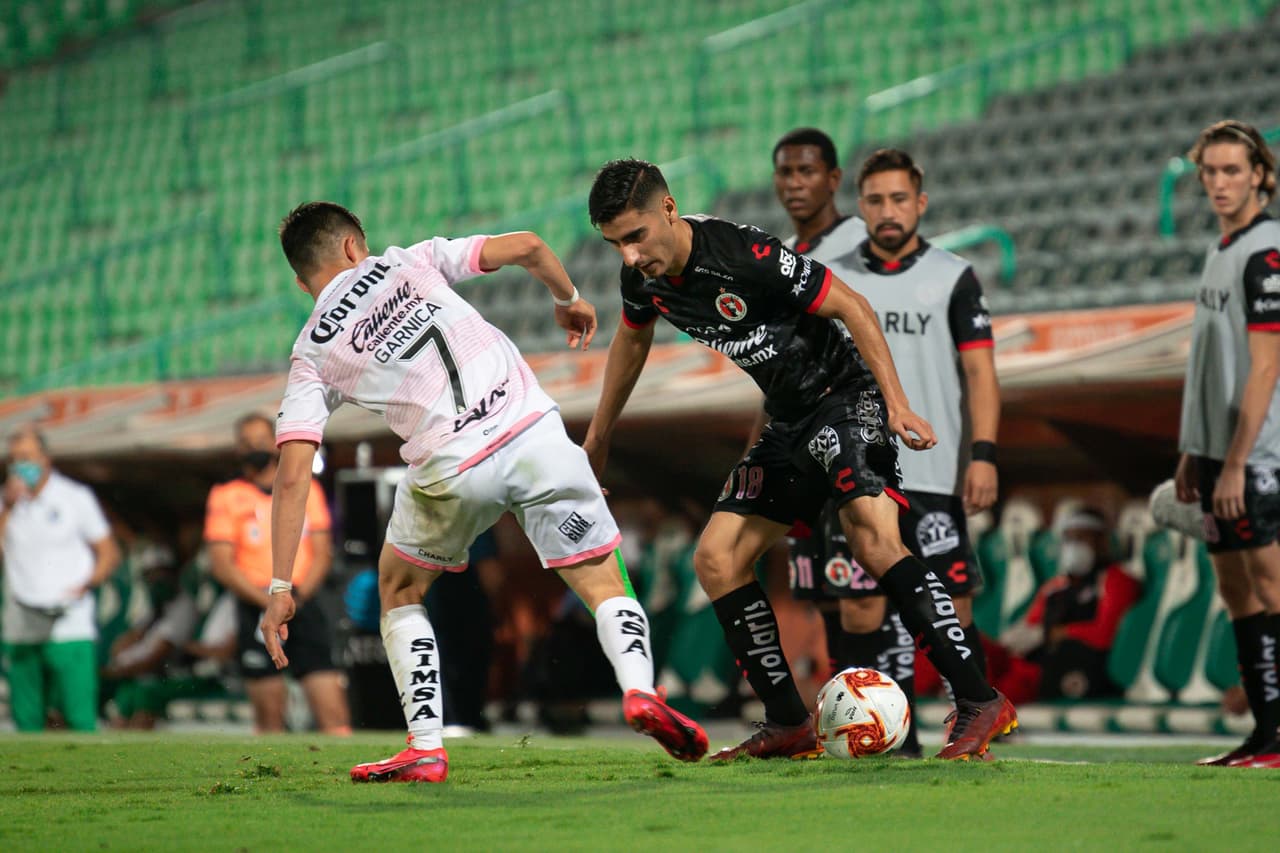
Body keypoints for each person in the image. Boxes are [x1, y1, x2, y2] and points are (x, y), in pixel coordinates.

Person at [583, 158, 1016, 761]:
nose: (629, 256)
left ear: (668, 209)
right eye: (614, 245)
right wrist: (599, 439)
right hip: (788, 420)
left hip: (846, 398)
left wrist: (896, 406)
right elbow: (632, 337)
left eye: (635, 237)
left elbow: (854, 307)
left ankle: (979, 701)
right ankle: (788, 722)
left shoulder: (741, 253)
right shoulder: (645, 278)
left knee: (874, 541)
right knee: (716, 558)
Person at [260, 202, 708, 782]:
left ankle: (425, 745)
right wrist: (567, 298)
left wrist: (280, 585)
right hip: (534, 436)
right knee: (600, 576)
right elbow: (527, 245)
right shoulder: (410, 260)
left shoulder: (311, 354)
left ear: (302, 281)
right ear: (354, 246)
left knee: (398, 586)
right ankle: (642, 691)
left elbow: (294, 473)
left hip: (451, 467)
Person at [1174, 119, 1280, 769]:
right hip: (1214, 455)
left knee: (1271, 587)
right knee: (1237, 590)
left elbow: (1266, 367)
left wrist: (1237, 459)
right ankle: (1266, 735)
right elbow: (1212, 363)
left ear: (1261, 175)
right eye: (1208, 171)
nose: (1218, 182)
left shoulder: (1266, 251)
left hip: (1257, 455)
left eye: (1231, 170)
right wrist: (1195, 450)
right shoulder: (1223, 249)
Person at [204, 413, 350, 735]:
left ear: (274, 442)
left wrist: (294, 599)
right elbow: (222, 563)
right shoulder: (227, 496)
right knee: (269, 713)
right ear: (236, 450)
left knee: (332, 710)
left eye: (259, 440)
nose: (254, 447)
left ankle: (345, 776)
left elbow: (322, 553)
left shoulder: (305, 489)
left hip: (303, 601)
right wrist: (269, 601)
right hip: (255, 603)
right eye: (246, 442)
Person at [1, 425, 120, 731]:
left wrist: (89, 583)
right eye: (14, 459)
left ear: (45, 458)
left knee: (79, 718)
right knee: (27, 722)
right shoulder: (5, 503)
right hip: (22, 623)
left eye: (27, 457)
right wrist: (9, 507)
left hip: (71, 622)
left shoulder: (75, 497)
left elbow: (108, 551)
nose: (20, 465)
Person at [992, 508, 1141, 704]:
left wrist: (1058, 633)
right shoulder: (1055, 586)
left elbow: (1106, 635)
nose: (1074, 546)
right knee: (971, 649)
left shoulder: (1117, 580)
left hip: (1076, 668)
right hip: (1035, 663)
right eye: (1069, 539)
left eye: (1082, 538)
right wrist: (1016, 637)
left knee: (1000, 693)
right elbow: (1031, 625)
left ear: (1101, 542)